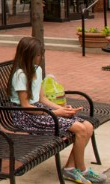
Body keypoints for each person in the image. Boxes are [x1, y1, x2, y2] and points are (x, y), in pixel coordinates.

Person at [7, 37, 106, 184]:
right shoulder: (21, 75)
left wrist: (62, 108)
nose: (41, 57)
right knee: (79, 128)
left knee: (88, 126)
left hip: (40, 110)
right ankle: (82, 170)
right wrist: (56, 113)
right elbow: (25, 105)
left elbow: (42, 98)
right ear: (29, 55)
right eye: (39, 54)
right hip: (26, 116)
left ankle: (70, 169)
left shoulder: (37, 69)